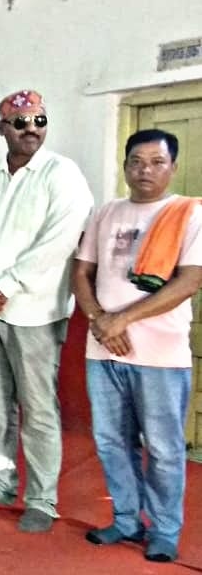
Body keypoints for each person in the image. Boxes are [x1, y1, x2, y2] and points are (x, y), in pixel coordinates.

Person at [0, 89, 93, 533]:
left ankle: (42, 500)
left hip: (33, 312)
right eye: (21, 122)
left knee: (38, 407)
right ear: (2, 128)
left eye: (39, 121)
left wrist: (4, 286)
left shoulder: (62, 174)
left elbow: (59, 241)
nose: (32, 129)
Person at [72, 129, 201, 563]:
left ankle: (164, 530)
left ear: (173, 168)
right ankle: (126, 519)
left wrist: (121, 319)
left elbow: (190, 280)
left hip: (160, 356)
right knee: (111, 441)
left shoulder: (188, 214)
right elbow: (81, 272)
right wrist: (99, 320)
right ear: (125, 166)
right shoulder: (107, 212)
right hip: (103, 350)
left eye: (157, 162)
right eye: (136, 162)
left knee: (163, 449)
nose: (145, 170)